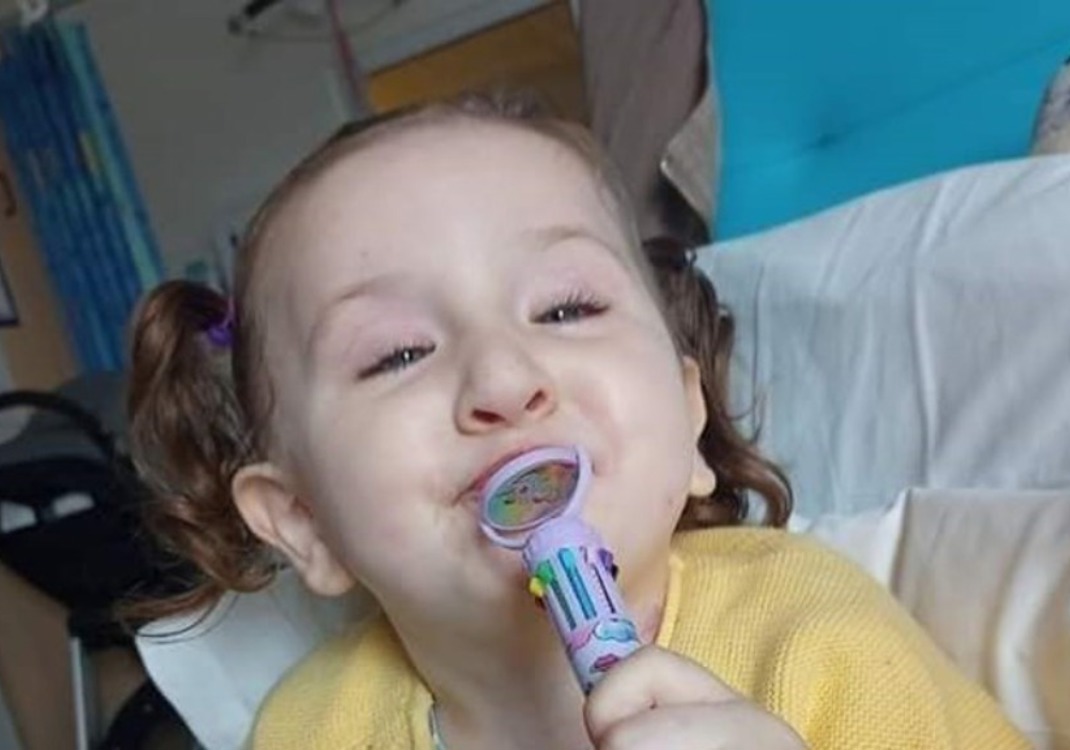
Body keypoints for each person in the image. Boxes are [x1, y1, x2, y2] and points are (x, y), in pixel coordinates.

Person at [127, 94, 1028, 750]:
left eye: (566, 309)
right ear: (305, 523)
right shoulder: (311, 730)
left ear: (688, 421)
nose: (505, 379)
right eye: (397, 354)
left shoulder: (816, 637)